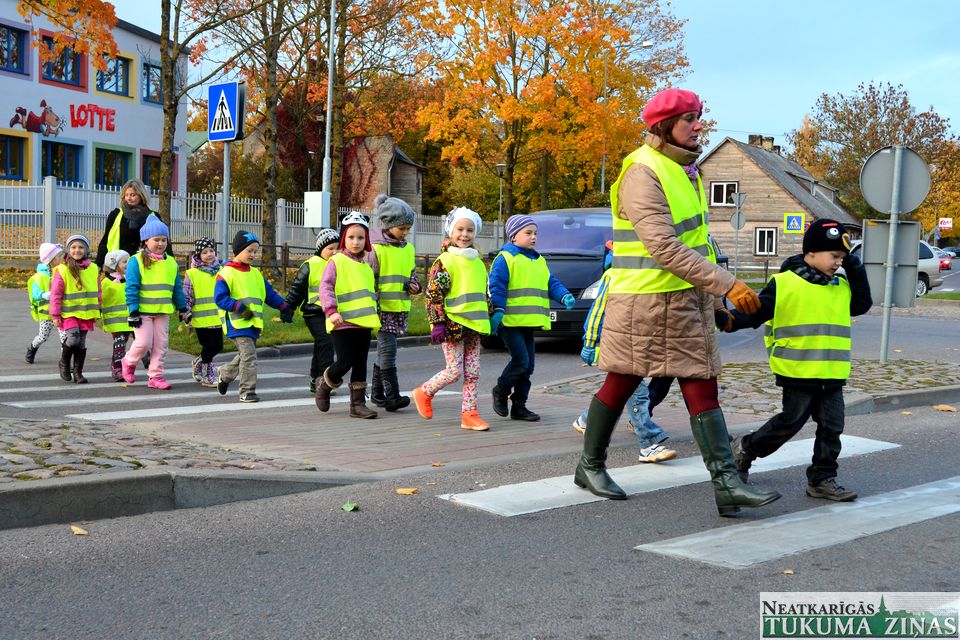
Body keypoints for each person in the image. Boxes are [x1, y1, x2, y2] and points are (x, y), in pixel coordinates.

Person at [572, 87, 781, 517]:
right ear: (664, 125)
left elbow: (697, 243)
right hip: (644, 301)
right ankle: (590, 466)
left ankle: (727, 484)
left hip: (684, 300)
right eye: (689, 118)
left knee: (702, 383)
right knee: (622, 382)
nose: (699, 125)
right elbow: (663, 247)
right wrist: (727, 284)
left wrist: (715, 301)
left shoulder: (686, 171)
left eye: (698, 116)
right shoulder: (642, 171)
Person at [719, 218, 872, 502]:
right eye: (834, 256)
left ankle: (822, 479)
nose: (838, 262)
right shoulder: (784, 283)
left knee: (832, 427)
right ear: (811, 252)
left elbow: (862, 304)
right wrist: (731, 320)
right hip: (797, 370)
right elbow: (760, 310)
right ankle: (746, 448)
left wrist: (854, 265)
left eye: (842, 257)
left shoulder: (839, 285)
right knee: (789, 422)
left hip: (831, 372)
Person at [575, 271, 677, 462]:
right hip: (615, 343)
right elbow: (597, 311)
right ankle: (648, 444)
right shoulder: (613, 275)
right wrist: (589, 342)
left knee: (619, 391)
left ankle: (586, 420)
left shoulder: (644, 276)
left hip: (633, 344)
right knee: (638, 394)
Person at [488, 214, 576, 421]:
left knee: (528, 367)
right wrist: (498, 310)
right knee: (521, 361)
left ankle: (519, 406)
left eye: (535, 233)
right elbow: (497, 286)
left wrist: (563, 295)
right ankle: (501, 390)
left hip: (528, 321)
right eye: (528, 233)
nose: (533, 237)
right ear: (513, 236)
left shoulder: (539, 260)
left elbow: (551, 283)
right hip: (509, 321)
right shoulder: (505, 259)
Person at [413, 207, 491, 431]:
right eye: (460, 229)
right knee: (454, 371)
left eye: (469, 230)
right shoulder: (445, 261)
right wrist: (437, 323)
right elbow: (434, 294)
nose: (464, 234)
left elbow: (485, 293)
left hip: (474, 326)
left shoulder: (478, 263)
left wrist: (492, 315)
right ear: (451, 231)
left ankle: (469, 414)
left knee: (473, 373)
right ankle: (424, 392)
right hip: (452, 326)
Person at [215, 230, 294, 403]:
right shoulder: (226, 273)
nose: (253, 254)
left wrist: (284, 307)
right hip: (236, 323)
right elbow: (220, 298)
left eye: (255, 251)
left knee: (246, 355)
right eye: (249, 250)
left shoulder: (256, 274)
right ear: (238, 250)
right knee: (249, 356)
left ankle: (225, 374)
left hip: (253, 323)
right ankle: (247, 391)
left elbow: (270, 294)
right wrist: (238, 307)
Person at [315, 212, 381, 419]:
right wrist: (331, 311)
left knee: (360, 363)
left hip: (363, 323)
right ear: (343, 238)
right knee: (345, 361)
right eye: (351, 237)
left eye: (360, 237)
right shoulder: (336, 261)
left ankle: (358, 405)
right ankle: (325, 384)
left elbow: (369, 295)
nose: (355, 242)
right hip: (341, 322)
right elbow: (325, 287)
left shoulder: (366, 267)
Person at [122, 217, 190, 390]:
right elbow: (131, 287)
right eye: (156, 240)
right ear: (146, 241)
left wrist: (183, 308)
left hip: (162, 311)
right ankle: (128, 362)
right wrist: (133, 311)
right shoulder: (136, 260)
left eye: (164, 240)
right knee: (143, 343)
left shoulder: (171, 262)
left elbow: (176, 288)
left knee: (161, 345)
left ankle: (156, 376)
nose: (160, 243)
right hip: (142, 311)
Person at [369, 194, 421, 412]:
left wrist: (415, 285)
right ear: (388, 224)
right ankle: (392, 396)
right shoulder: (376, 249)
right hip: (382, 309)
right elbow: (368, 279)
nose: (406, 232)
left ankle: (377, 394)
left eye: (408, 228)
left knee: (385, 351)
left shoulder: (408, 249)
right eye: (402, 228)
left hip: (399, 308)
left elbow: (412, 274)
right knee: (389, 350)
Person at [284, 228, 339, 394]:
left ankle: (315, 380)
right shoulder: (310, 265)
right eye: (330, 248)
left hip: (331, 313)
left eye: (337, 248)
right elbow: (297, 289)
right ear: (320, 248)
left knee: (321, 345)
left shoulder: (339, 264)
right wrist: (288, 307)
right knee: (326, 342)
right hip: (314, 312)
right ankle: (325, 381)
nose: (334, 252)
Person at [49, 234, 100, 384]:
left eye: (81, 247)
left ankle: (78, 372)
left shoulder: (93, 269)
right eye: (73, 247)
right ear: (68, 250)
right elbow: (56, 294)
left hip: (86, 313)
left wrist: (98, 309)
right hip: (69, 313)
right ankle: (64, 363)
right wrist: (55, 314)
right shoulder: (62, 269)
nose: (77, 250)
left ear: (86, 250)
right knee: (73, 339)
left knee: (81, 343)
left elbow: (98, 291)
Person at [95, 179, 168, 269]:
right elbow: (105, 241)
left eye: (133, 195)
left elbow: (164, 240)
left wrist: (170, 261)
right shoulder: (116, 214)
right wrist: (98, 265)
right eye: (126, 195)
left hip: (146, 265)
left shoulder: (153, 216)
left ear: (141, 196)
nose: (129, 198)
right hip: (118, 267)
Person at [184, 237, 224, 387]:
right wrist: (186, 312)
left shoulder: (221, 271)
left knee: (218, 346)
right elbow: (187, 295)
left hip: (218, 317)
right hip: (201, 319)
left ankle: (199, 362)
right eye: (205, 252)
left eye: (211, 251)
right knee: (208, 346)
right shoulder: (192, 273)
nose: (209, 254)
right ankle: (208, 376)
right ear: (198, 255)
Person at [25, 242, 64, 364]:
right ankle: (32, 348)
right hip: (46, 313)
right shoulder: (39, 276)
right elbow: (35, 293)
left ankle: (65, 361)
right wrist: (44, 294)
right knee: (43, 336)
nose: (62, 258)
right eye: (59, 256)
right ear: (51, 260)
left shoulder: (62, 272)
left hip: (61, 312)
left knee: (65, 338)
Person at [99, 250, 133, 382]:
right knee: (119, 342)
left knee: (124, 343)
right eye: (124, 262)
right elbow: (99, 299)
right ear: (114, 264)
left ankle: (120, 363)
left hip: (128, 319)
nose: (128, 264)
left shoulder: (130, 279)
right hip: (113, 320)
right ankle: (117, 368)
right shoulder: (106, 282)